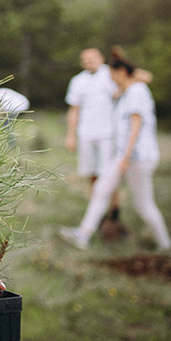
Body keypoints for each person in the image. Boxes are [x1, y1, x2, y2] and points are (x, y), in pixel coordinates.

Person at [59, 56, 171, 254]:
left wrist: (126, 158)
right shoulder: (127, 91)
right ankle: (83, 235)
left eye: (112, 75)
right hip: (123, 156)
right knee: (101, 189)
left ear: (121, 73)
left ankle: (165, 244)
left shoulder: (137, 92)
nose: (111, 79)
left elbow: (136, 126)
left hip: (137, 158)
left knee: (144, 205)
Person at [64, 48, 121, 225]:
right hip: (86, 133)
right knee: (92, 174)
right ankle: (97, 213)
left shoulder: (111, 74)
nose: (90, 62)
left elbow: (132, 82)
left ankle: (114, 213)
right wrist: (70, 135)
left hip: (108, 133)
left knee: (109, 175)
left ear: (101, 58)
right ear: (82, 62)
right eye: (86, 59)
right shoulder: (78, 81)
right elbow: (74, 109)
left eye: (93, 58)